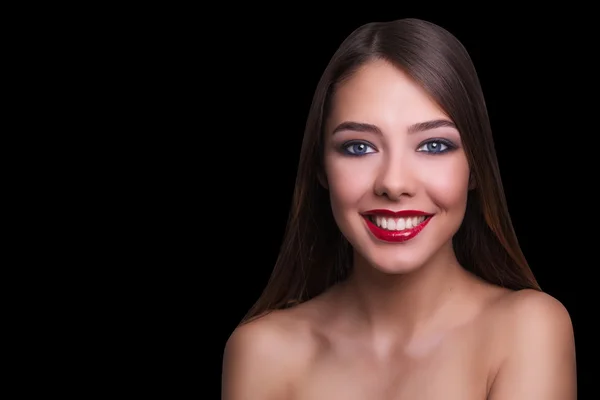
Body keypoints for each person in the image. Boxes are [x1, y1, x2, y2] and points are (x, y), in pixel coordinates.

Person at [222, 18, 577, 399]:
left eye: (434, 145)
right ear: (321, 168)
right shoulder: (262, 351)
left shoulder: (527, 329)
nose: (394, 183)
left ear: (475, 168)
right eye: (359, 147)